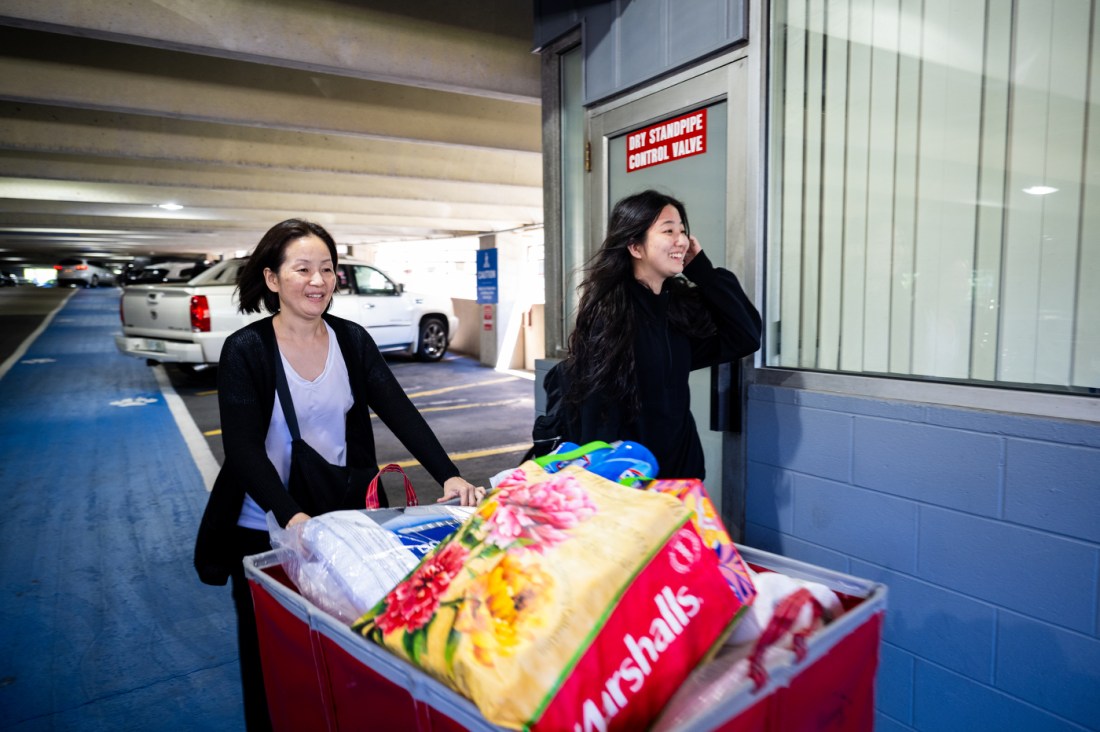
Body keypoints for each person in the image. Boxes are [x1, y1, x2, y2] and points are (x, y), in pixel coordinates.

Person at [193, 218, 484, 731]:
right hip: (263, 522)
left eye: (327, 269)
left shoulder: (350, 340)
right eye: (302, 269)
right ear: (271, 279)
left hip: (337, 516)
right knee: (270, 653)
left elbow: (399, 410)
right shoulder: (247, 350)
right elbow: (241, 449)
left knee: (343, 644)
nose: (318, 281)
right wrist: (291, 515)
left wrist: (448, 475)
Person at [558, 189, 761, 480]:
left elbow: (745, 336)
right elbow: (597, 413)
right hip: (632, 480)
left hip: (682, 473)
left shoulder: (676, 310)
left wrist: (702, 272)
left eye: (682, 230)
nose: (681, 240)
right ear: (635, 247)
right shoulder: (609, 317)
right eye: (668, 231)